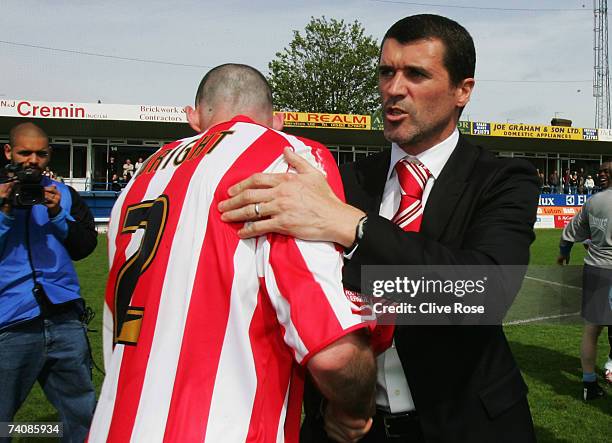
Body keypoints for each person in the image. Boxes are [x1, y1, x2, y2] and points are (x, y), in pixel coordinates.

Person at [219, 14, 539, 442]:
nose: (393, 89)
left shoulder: (502, 179)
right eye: (387, 72)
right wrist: (333, 401)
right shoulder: (340, 181)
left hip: (466, 423)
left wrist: (355, 228)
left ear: (463, 91)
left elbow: (484, 294)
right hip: (349, 428)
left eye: (416, 74)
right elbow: (309, 298)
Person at [88, 64, 376, 442]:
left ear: (195, 118)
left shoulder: (141, 177)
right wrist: (352, 407)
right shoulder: (287, 157)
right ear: (278, 120)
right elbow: (333, 353)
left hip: (117, 425)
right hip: (227, 429)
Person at [0, 122, 97, 442]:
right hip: (11, 322)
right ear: (8, 152)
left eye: (41, 154)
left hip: (64, 316)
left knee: (81, 417)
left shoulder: (64, 195)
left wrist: (57, 214)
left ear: (49, 156)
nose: (32, 161)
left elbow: (85, 247)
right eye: (24, 152)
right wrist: (4, 211)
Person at [557, 162, 612, 400]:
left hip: (596, 270)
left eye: (603, 171)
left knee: (592, 329)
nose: (600, 175)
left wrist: (564, 252)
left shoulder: (594, 202)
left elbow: (570, 232)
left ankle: (589, 384)